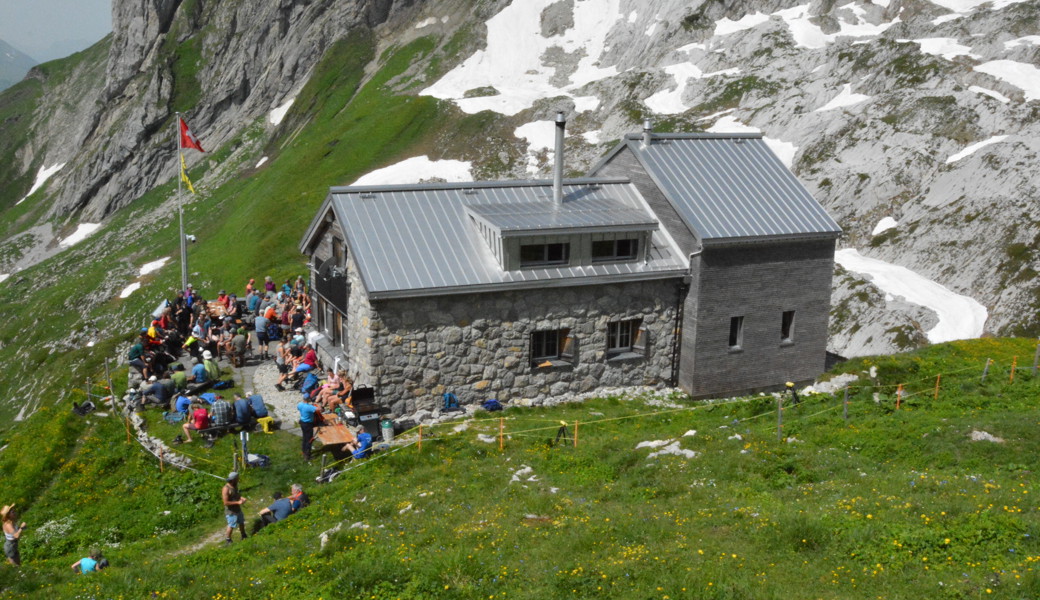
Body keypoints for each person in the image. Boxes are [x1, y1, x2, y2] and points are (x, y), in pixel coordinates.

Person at [222, 472, 247, 545]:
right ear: (233, 479)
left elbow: (236, 496)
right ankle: (228, 540)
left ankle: (243, 535)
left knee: (241, 522)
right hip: (231, 511)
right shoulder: (226, 489)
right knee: (231, 525)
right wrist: (238, 502)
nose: (238, 479)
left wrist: (241, 498)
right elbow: (225, 502)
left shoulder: (234, 486)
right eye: (237, 478)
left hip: (237, 509)